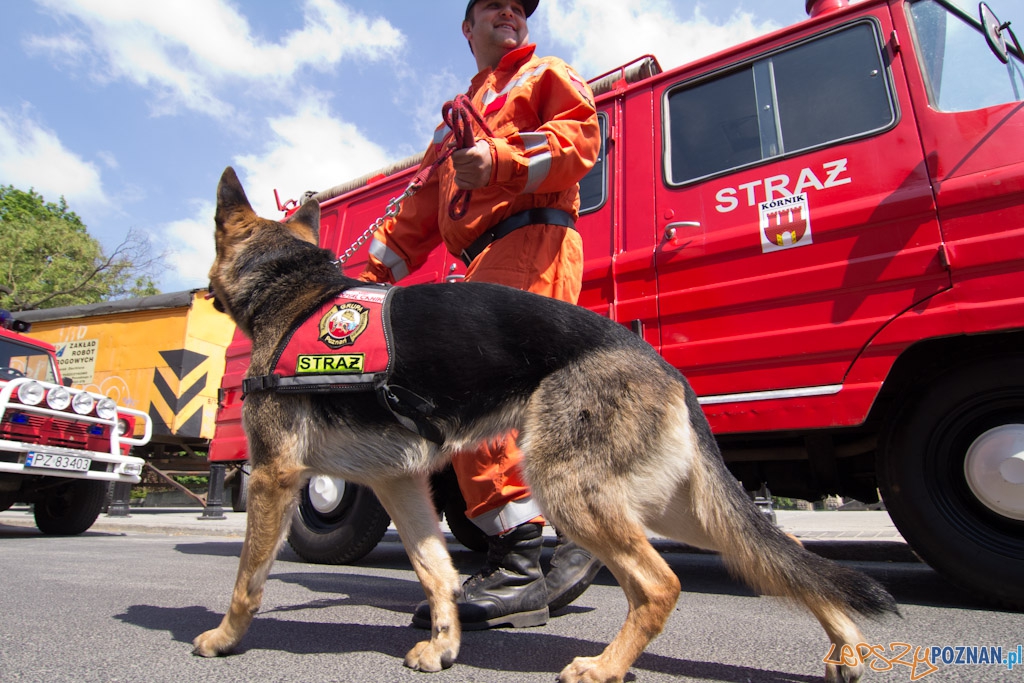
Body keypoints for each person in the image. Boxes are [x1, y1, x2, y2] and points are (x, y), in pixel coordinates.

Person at [359, 0, 603, 630]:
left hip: (531, 239)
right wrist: (360, 279)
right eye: (493, 5)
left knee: (474, 397)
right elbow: (415, 217)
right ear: (467, 29)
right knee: (521, 406)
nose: (510, 14)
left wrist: (499, 160)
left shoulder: (543, 74)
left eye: (518, 8)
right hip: (486, 257)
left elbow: (581, 141)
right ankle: (573, 531)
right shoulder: (455, 123)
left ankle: (519, 563)